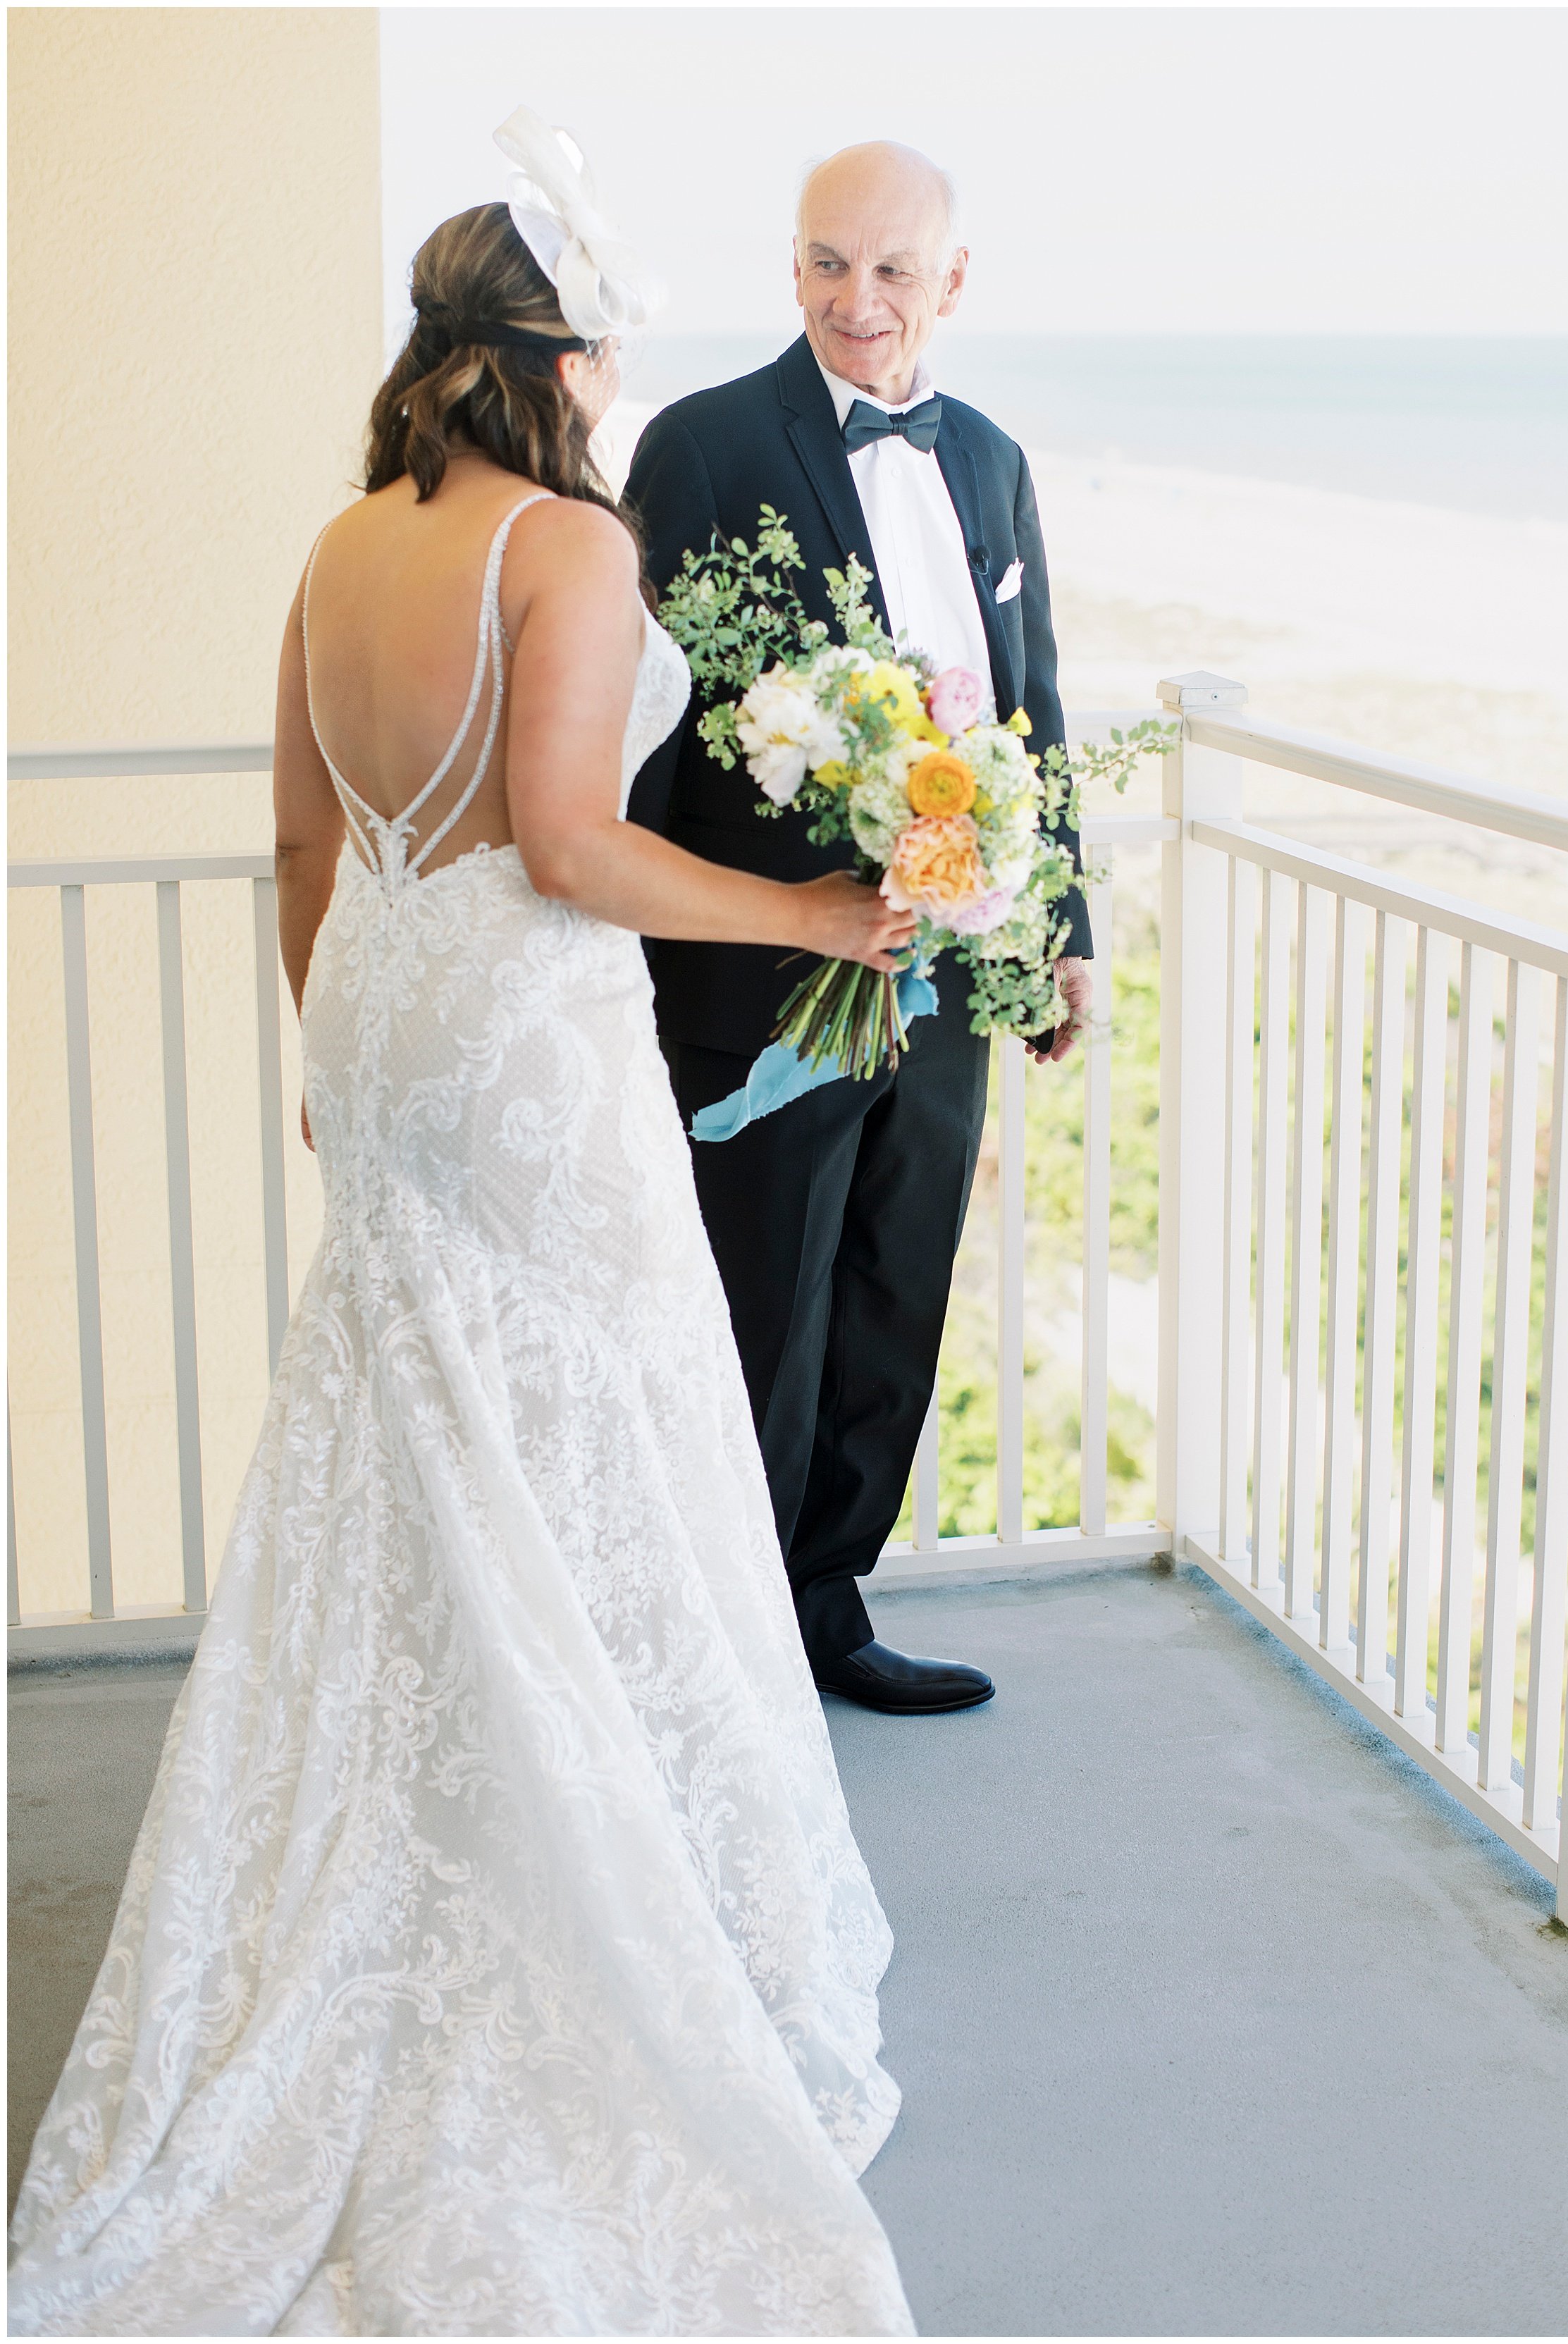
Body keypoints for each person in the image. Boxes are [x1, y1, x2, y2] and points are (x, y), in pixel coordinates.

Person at [8, 113, 914, 2339]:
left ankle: (405, 1831)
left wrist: (337, 1055)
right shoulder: (565, 548)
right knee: (595, 1409)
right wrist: (814, 905)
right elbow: (573, 848)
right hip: (521, 1027)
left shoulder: (336, 547)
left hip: (390, 1025)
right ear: (568, 353)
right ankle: (609, 1881)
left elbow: (301, 849)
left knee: (414, 1421)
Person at [625, 143, 1093, 1717]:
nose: (856, 299)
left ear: (949, 286)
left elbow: (1028, 713)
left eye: (891, 271)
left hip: (949, 973)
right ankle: (718, 1659)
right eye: (827, 262)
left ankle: (824, 1614)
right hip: (760, 978)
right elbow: (642, 726)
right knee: (753, 1310)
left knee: (892, 1291)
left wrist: (1057, 928)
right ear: (794, 267)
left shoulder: (994, 462)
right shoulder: (699, 446)